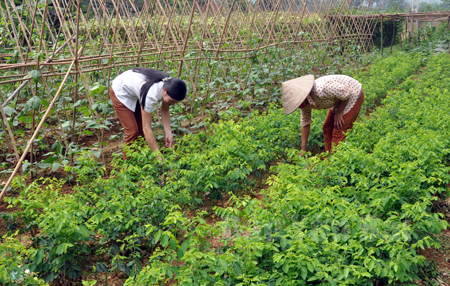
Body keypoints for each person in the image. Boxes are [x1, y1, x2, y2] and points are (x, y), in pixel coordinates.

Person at [110, 68, 187, 158]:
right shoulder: (151, 94)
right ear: (164, 90)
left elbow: (165, 109)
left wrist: (168, 133)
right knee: (132, 132)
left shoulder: (170, 84)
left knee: (140, 132)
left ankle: (141, 159)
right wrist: (158, 155)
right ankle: (126, 167)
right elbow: (146, 127)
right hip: (120, 91)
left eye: (175, 102)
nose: (172, 104)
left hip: (133, 88)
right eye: (172, 101)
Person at [281, 74, 364, 153]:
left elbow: (346, 93)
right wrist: (303, 149)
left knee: (339, 129)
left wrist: (339, 112)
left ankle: (336, 160)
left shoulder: (322, 89)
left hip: (353, 93)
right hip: (339, 99)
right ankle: (329, 156)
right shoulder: (304, 104)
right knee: (327, 127)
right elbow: (305, 123)